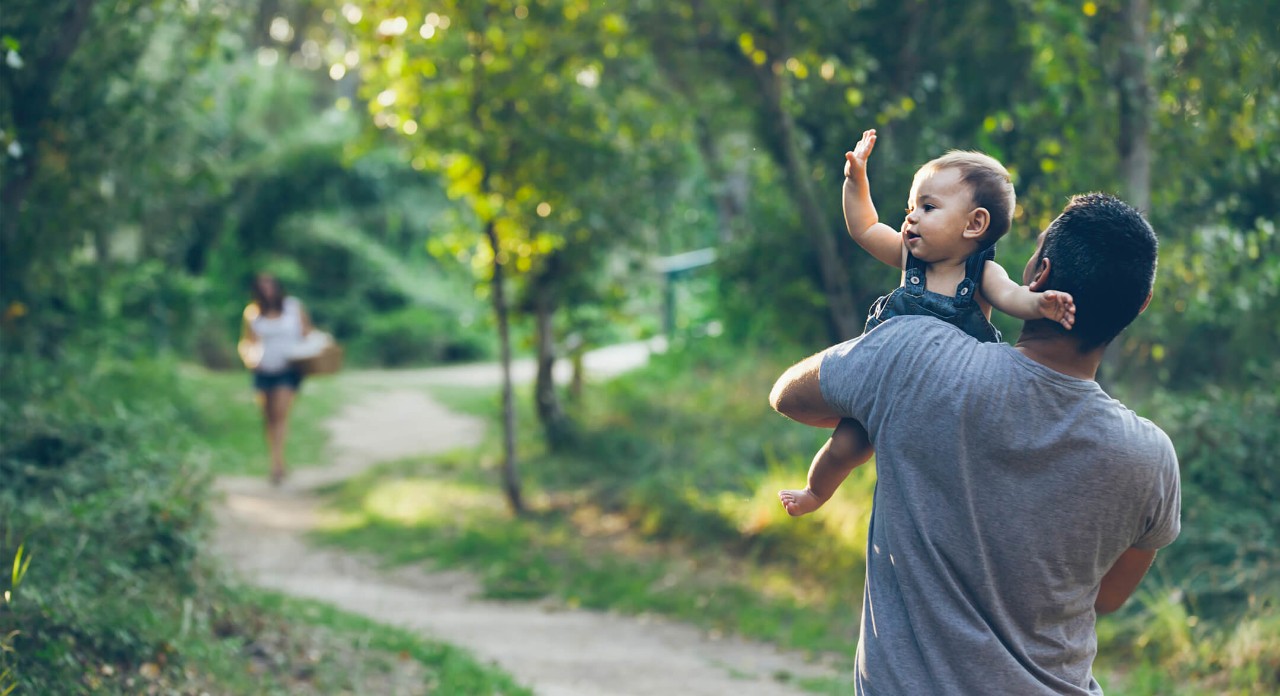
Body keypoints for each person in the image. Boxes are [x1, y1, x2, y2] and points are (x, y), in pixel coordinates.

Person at [769, 192, 1181, 694]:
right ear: (1140, 305)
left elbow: (788, 396)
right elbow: (1108, 598)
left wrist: (888, 405)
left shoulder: (912, 351)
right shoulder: (1151, 458)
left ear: (1038, 275)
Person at [780, 129, 1076, 516]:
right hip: (886, 385)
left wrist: (1040, 304)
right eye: (910, 209)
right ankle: (815, 493)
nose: (912, 218)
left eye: (928, 207)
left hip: (948, 397)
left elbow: (1011, 297)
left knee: (950, 465)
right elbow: (865, 227)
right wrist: (856, 181)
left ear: (974, 224)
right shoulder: (909, 258)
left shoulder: (983, 274)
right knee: (845, 447)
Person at [237, 273, 313, 485]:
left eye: (270, 285)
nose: (267, 289)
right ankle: (276, 459)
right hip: (263, 371)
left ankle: (277, 464)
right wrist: (250, 359)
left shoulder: (293, 308)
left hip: (288, 370)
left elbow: (307, 333)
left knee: (280, 414)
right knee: (268, 418)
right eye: (262, 286)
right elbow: (247, 343)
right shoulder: (253, 313)